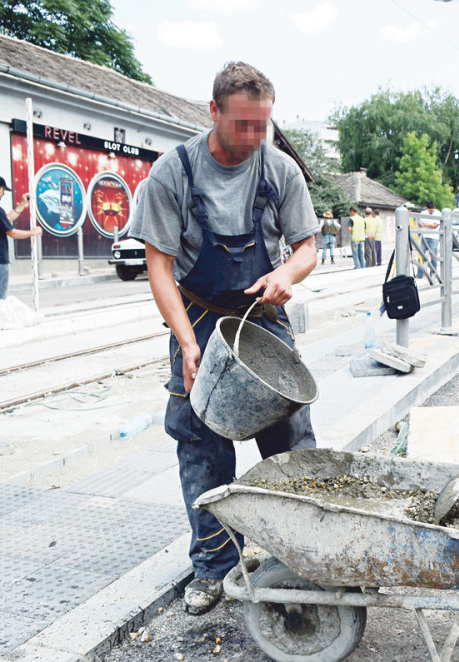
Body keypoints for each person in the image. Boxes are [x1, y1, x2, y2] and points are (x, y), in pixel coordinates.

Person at [128, 61, 319, 616]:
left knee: (290, 440)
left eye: (263, 125)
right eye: (243, 126)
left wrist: (288, 274)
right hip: (199, 316)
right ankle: (214, 566)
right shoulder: (173, 174)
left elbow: (306, 246)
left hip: (261, 315)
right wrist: (187, 343)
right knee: (201, 443)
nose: (255, 137)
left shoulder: (278, 170)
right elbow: (159, 267)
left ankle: (304, 556)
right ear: (213, 111)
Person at [0, 175, 42, 329]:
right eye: (3, 190)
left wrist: (22, 205)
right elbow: (11, 232)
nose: (4, 194)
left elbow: (4, 220)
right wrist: (33, 232)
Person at [416, 201, 441, 278]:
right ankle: (420, 274)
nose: (430, 210)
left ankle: (433, 274)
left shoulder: (438, 213)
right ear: (427, 208)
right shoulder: (423, 213)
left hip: (434, 237)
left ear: (434, 207)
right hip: (424, 236)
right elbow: (420, 224)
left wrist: (426, 224)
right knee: (421, 256)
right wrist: (429, 225)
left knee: (433, 257)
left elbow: (435, 226)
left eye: (432, 209)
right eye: (429, 209)